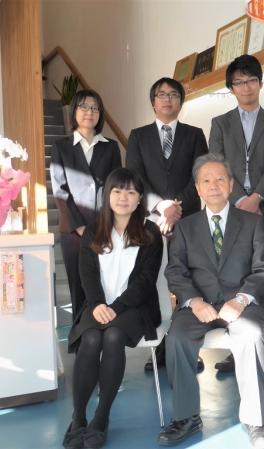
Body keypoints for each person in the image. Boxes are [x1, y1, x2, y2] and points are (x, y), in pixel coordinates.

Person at [157, 153, 264, 448]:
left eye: (220, 179)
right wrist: (194, 301)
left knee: (251, 335)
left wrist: (241, 299)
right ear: (197, 188)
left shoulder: (253, 223)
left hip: (242, 306)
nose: (213, 185)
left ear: (231, 184)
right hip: (199, 305)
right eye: (206, 180)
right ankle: (186, 417)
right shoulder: (185, 227)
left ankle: (256, 419)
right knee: (177, 338)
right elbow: (175, 271)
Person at [63, 168, 163, 449]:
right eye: (117, 191)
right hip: (97, 304)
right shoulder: (93, 231)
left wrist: (117, 306)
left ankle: (101, 417)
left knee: (114, 336)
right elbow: (86, 274)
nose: (123, 197)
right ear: (107, 195)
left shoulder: (150, 232)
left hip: (136, 306)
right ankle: (78, 417)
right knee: (91, 338)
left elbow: (146, 280)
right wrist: (97, 304)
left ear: (140, 197)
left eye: (131, 192)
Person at [208, 54, 264, 377]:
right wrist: (240, 198)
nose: (246, 87)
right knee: (235, 274)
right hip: (232, 208)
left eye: (251, 80)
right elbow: (217, 165)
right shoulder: (220, 123)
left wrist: (257, 198)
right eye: (239, 82)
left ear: (260, 83)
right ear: (231, 88)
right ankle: (236, 348)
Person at [126, 77, 208, 371]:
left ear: (180, 101)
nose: (167, 99)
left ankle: (189, 345)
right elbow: (135, 177)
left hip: (188, 221)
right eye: (161, 94)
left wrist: (176, 207)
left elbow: (200, 174)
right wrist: (161, 206)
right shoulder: (138, 136)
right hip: (152, 222)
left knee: (192, 280)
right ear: (153, 102)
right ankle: (160, 346)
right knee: (157, 283)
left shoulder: (195, 134)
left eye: (173, 94)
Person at [50, 89, 122, 319]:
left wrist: (110, 223)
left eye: (94, 108)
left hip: (105, 228)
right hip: (74, 232)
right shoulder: (61, 147)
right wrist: (80, 226)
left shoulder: (110, 147)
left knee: (105, 284)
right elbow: (60, 190)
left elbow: (116, 188)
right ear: (74, 111)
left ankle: (105, 329)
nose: (89, 112)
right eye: (83, 107)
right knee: (78, 286)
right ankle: (80, 333)